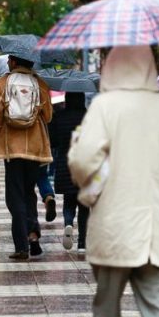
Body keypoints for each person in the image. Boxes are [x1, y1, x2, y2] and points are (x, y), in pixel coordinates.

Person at [68, 45, 159, 317]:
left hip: (113, 229)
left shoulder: (104, 106)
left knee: (106, 316)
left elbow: (83, 161)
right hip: (156, 231)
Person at [0, 54, 52, 260]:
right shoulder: (39, 83)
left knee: (14, 196)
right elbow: (48, 116)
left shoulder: (3, 82)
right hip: (35, 147)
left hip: (11, 147)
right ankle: (33, 235)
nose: (7, 63)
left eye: (9, 60)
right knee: (29, 192)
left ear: (14, 62)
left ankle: (21, 246)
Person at [49, 92, 88, 251]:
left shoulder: (60, 117)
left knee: (69, 201)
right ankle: (82, 244)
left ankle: (68, 224)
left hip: (66, 164)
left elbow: (53, 141)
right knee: (84, 206)